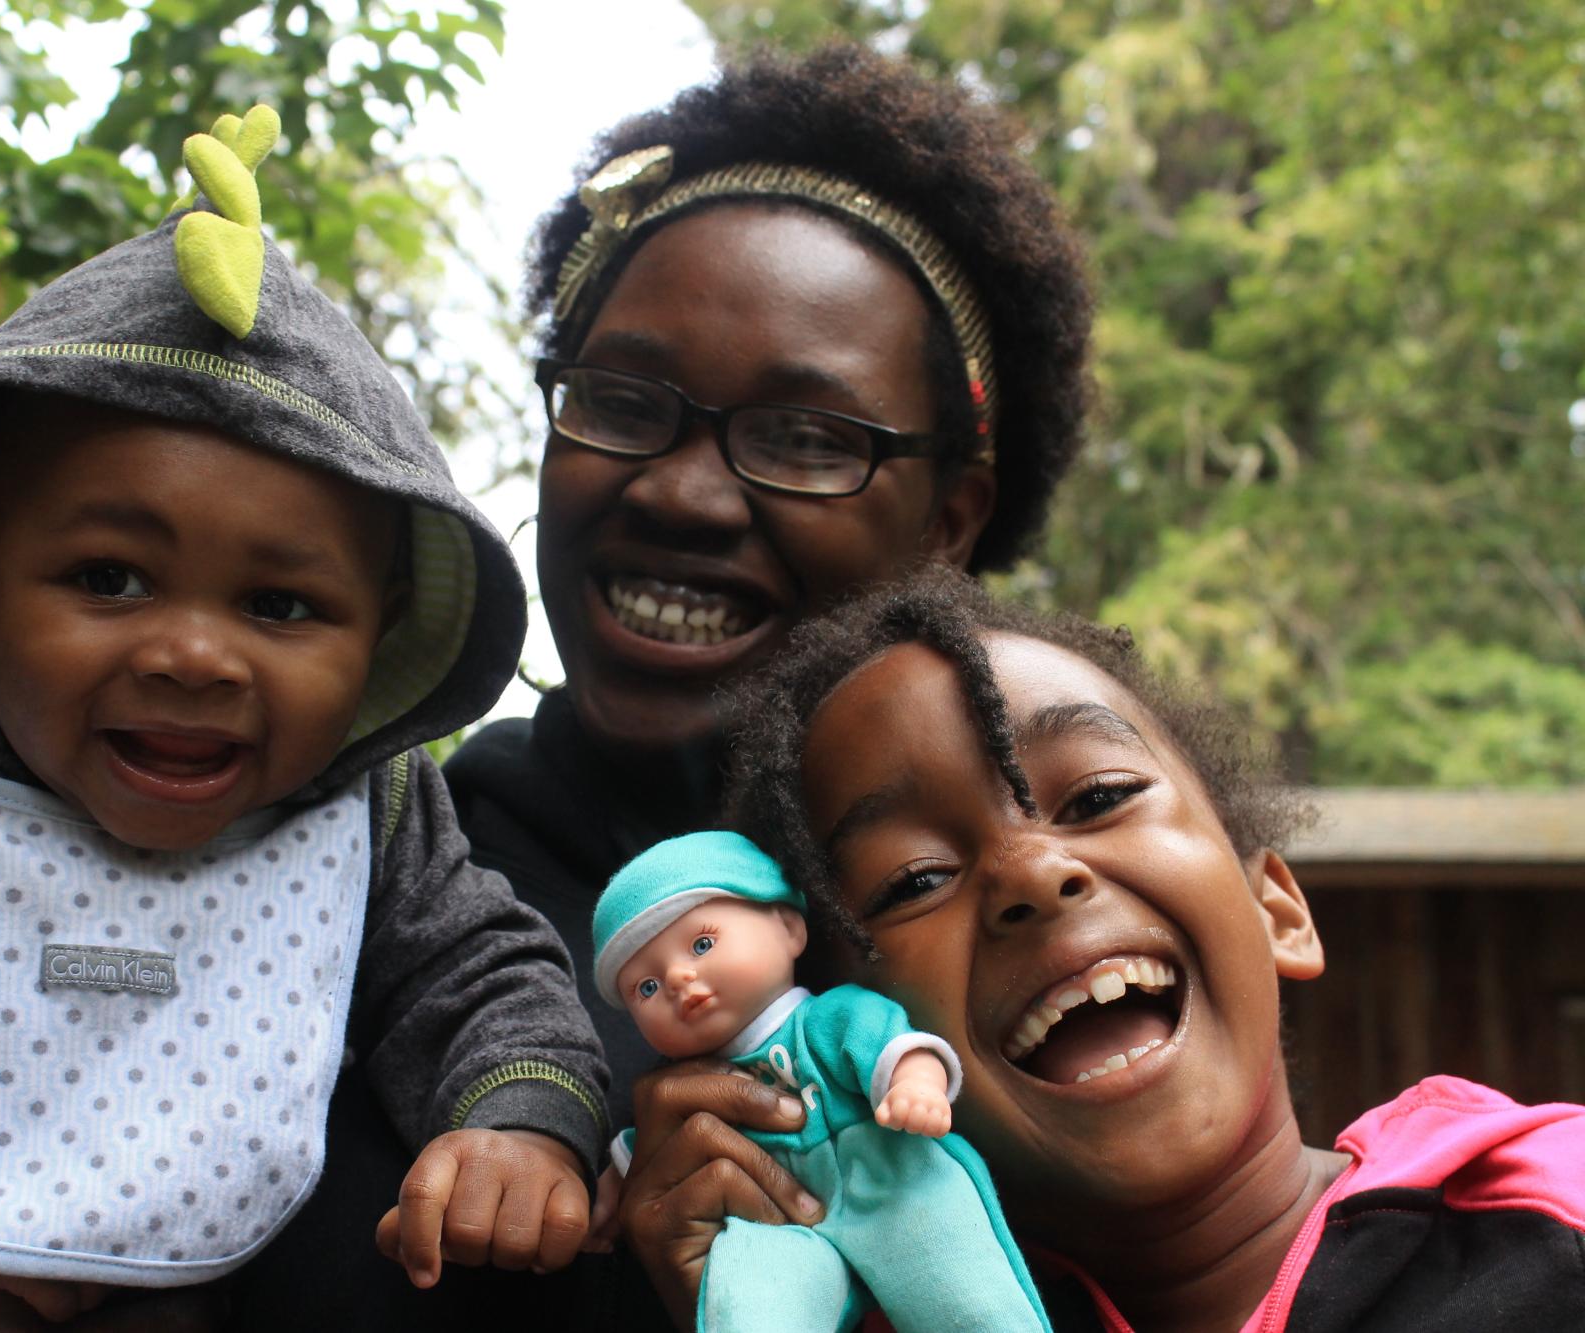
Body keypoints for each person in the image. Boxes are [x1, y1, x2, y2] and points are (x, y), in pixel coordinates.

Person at [0, 107, 607, 1326]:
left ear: (382, 632)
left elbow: (484, 979)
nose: (191, 653)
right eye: (106, 578)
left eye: (280, 602)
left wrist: (515, 1123)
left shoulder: (369, 823)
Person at [248, 42, 1094, 1329]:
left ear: (949, 522)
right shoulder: (371, 893)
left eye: (806, 437)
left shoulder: (1048, 908)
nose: (681, 492)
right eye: (623, 402)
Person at [615, 567, 1585, 1330]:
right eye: (912, 880)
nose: (1032, 873)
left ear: (1275, 908)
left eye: (1097, 798)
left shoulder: (1549, 1205)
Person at [593, 830, 1047, 1333]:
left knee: (960, 1290)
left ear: (789, 927)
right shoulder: (685, 1088)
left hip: (883, 1178)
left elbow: (898, 1048)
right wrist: (608, 1194)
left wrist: (916, 1087)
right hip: (772, 1223)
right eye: (647, 987)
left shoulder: (828, 1018)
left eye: (702, 943)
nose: (678, 979)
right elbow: (647, 1161)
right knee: (747, 1303)